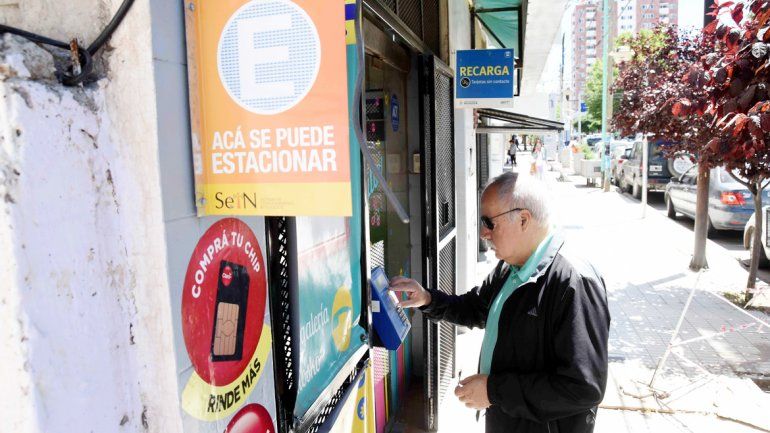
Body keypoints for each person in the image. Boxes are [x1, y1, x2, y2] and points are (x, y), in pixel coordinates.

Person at [390, 172, 610, 433]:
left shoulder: (573, 282)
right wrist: (427, 298)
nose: (483, 233)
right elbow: (476, 308)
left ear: (524, 220)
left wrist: (493, 391)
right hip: (507, 420)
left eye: (489, 222)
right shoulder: (510, 267)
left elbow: (583, 388)